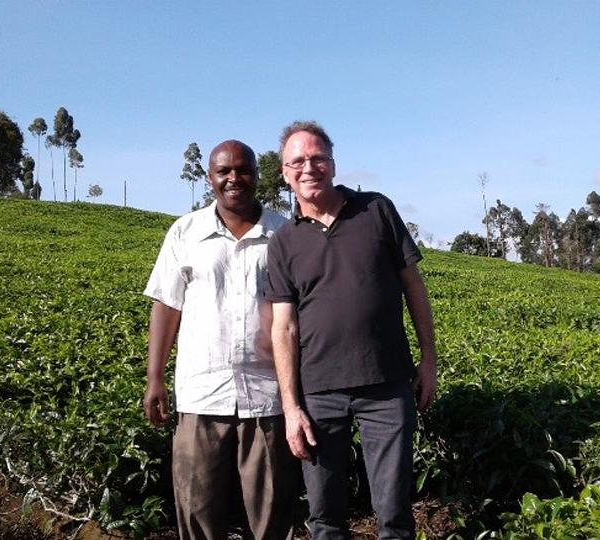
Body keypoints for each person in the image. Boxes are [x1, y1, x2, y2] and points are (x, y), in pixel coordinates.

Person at [266, 121, 437, 539]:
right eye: (297, 162)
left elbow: (413, 286)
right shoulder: (284, 242)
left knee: (394, 512)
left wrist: (428, 358)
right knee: (325, 516)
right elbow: (283, 327)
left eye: (317, 158)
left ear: (333, 163)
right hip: (319, 393)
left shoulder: (376, 210)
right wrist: (291, 407)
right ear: (285, 173)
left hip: (387, 384)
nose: (309, 168)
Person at [142, 140, 296, 540]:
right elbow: (166, 306)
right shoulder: (185, 232)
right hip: (201, 392)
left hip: (268, 395)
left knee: (270, 512)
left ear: (257, 175)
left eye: (242, 170)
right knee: (197, 508)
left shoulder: (284, 234)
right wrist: (154, 377)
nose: (234, 178)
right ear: (209, 178)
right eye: (223, 171)